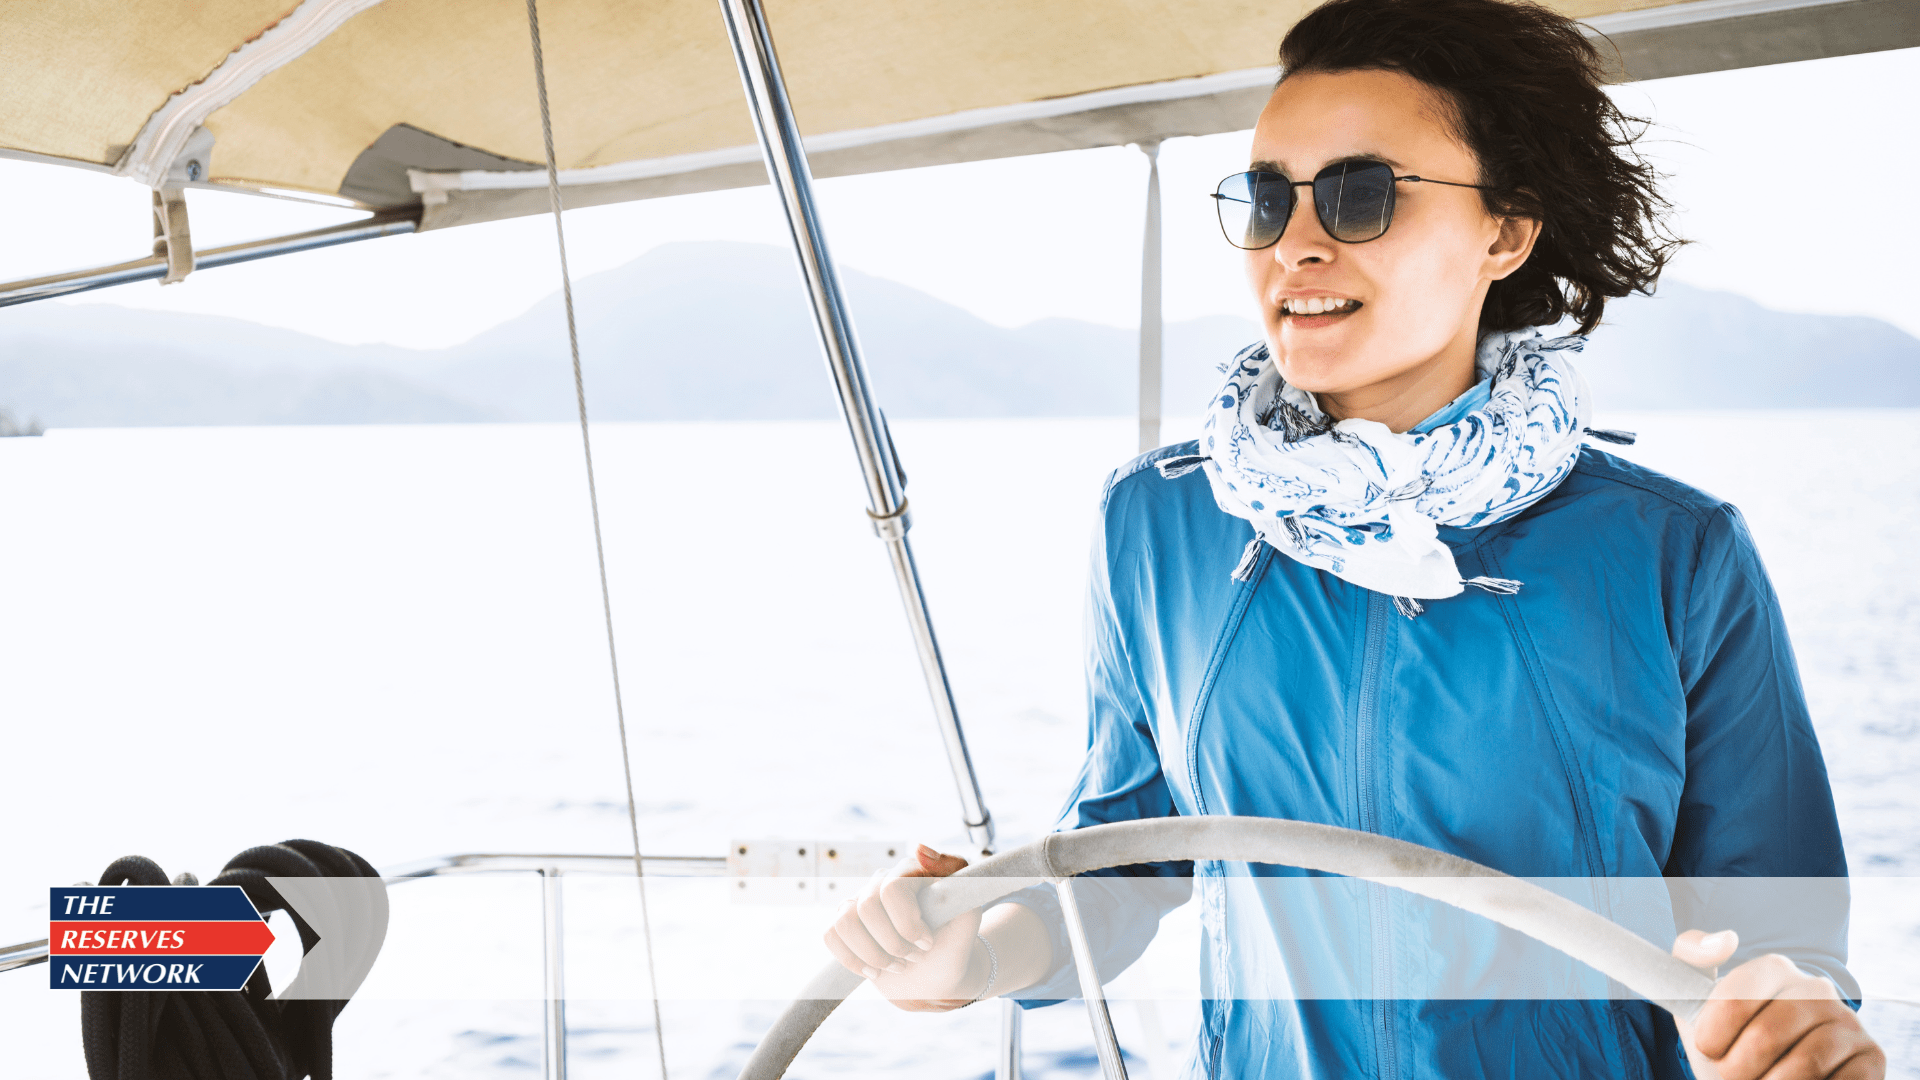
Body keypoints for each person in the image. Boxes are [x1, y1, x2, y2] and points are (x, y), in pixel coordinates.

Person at [823, 0, 1888, 1076]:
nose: (1297, 242)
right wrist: (967, 953)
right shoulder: (1156, 525)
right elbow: (1124, 862)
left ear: (1506, 231)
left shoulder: (1674, 551)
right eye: (1267, 198)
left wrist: (1786, 1028)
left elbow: (1782, 938)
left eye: (1361, 194)